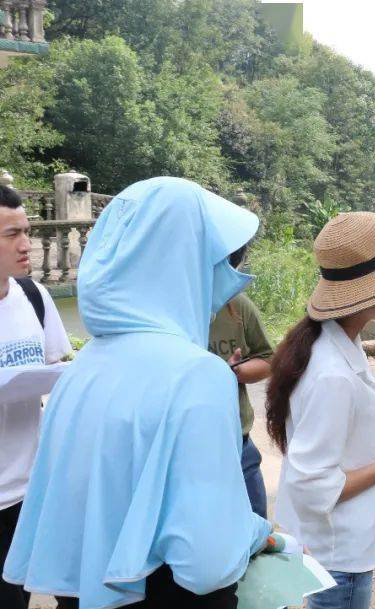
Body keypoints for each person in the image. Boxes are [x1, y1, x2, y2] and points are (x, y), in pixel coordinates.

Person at [3, 177, 272, 609]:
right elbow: (207, 565)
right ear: (185, 265)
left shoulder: (82, 369)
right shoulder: (198, 375)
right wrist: (253, 531)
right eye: (220, 262)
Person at [269, 212, 375, 609]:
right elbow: (312, 485)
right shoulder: (332, 374)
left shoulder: (333, 341)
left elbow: (326, 427)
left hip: (331, 546)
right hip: (337, 554)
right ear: (369, 290)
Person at [0, 185, 72, 609]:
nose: (27, 245)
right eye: (12, 234)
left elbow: (58, 364)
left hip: (29, 493)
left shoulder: (33, 295)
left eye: (27, 231)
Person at [209, 284, 274, 518]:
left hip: (239, 441)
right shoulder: (169, 310)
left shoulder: (237, 305)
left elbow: (268, 359)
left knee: (256, 522)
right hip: (191, 445)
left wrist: (235, 372)